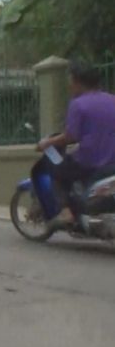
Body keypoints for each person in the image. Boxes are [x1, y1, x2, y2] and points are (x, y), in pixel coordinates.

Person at [36, 61, 115, 228]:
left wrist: (47, 142)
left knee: (57, 171)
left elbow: (71, 136)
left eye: (70, 81)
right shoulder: (112, 100)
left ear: (78, 82)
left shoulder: (78, 104)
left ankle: (66, 212)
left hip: (89, 160)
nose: (69, 85)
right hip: (112, 161)